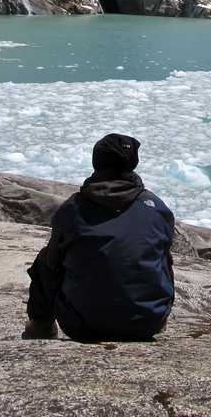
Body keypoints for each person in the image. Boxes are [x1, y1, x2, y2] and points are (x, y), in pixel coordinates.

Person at [24, 133, 174, 342]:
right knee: (161, 255)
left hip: (82, 325)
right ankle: (158, 315)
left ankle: (41, 327)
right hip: (146, 323)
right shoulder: (156, 208)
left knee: (46, 259)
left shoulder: (72, 208)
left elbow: (54, 263)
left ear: (97, 162)